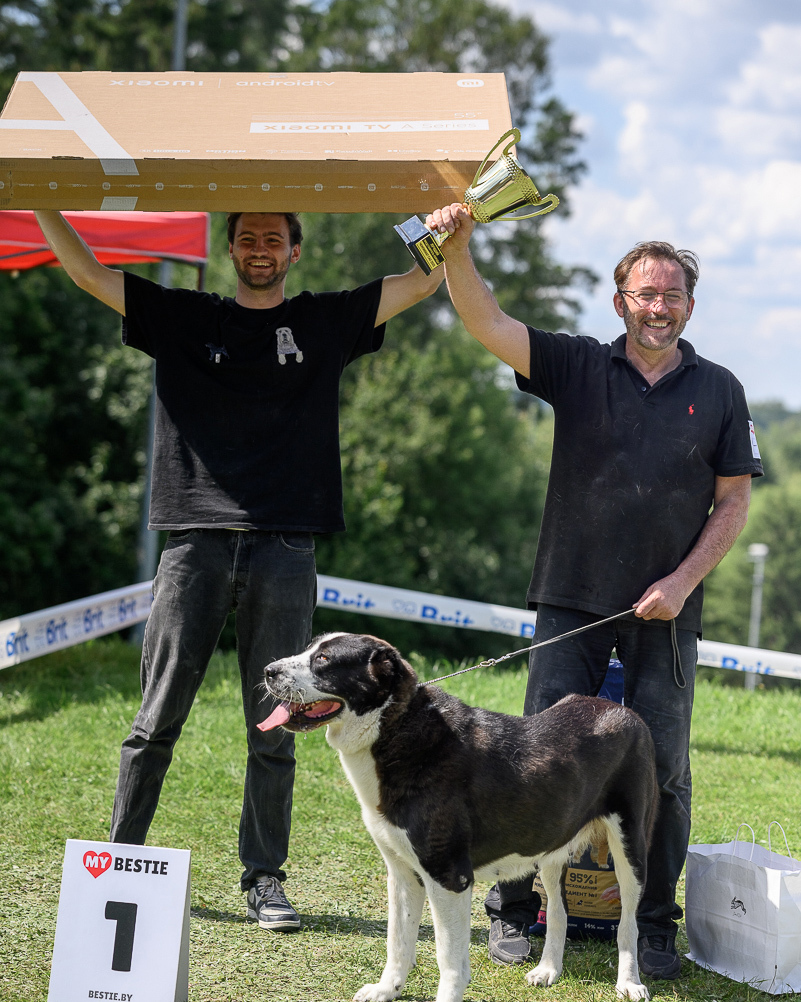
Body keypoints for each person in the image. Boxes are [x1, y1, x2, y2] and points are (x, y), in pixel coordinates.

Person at [35, 208, 442, 931]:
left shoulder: (323, 321)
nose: (259, 249)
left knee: (277, 725)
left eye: (273, 240)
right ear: (229, 248)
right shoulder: (182, 315)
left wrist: (437, 228)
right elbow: (88, 274)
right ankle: (117, 867)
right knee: (155, 719)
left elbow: (421, 281)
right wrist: (40, 201)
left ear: (295, 251)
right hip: (194, 542)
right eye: (247, 238)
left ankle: (265, 881)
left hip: (286, 545)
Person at [425, 203, 763, 980]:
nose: (658, 306)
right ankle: (513, 911)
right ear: (619, 302)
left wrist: (680, 582)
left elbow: (733, 502)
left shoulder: (720, 389)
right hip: (570, 599)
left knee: (663, 772)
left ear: (689, 306)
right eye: (645, 293)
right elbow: (486, 321)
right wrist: (457, 250)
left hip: (666, 614)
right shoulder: (577, 365)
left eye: (671, 294)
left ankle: (652, 928)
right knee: (532, 759)